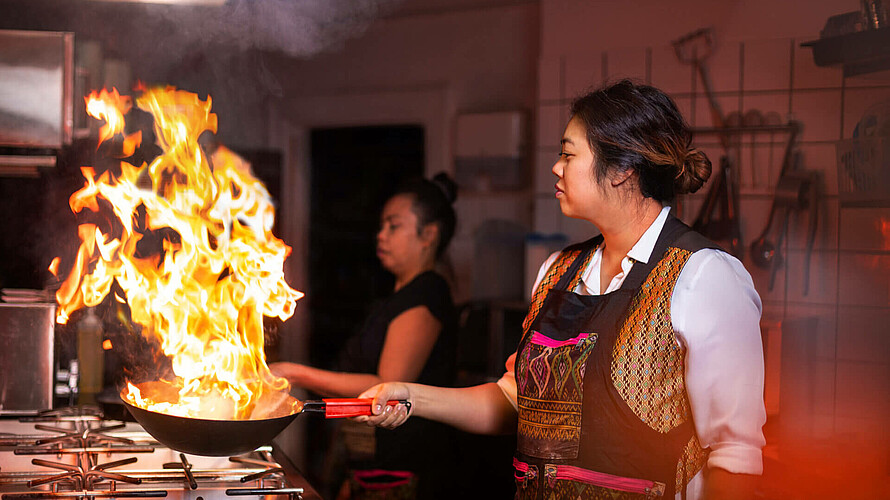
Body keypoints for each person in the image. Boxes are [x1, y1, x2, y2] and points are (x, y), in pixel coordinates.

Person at [355, 80, 767, 500]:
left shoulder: (703, 276)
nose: (556, 167)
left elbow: (734, 456)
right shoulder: (558, 270)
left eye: (569, 155)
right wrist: (409, 397)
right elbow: (513, 402)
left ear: (624, 167)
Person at [271, 173, 460, 500]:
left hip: (401, 465)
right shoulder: (398, 296)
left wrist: (292, 372)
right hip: (370, 463)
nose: (381, 235)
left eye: (393, 226)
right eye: (382, 226)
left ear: (428, 234)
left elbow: (388, 383)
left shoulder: (428, 293)